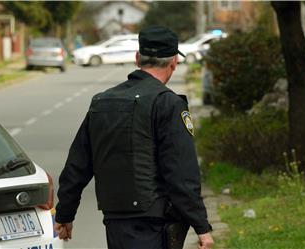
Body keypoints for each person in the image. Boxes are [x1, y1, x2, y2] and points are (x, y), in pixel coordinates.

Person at [54, 26, 214, 249]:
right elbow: (181, 172)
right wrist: (202, 227)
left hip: (114, 221)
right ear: (174, 62)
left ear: (137, 58)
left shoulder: (102, 102)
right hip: (154, 223)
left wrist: (64, 214)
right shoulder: (168, 104)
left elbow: (77, 165)